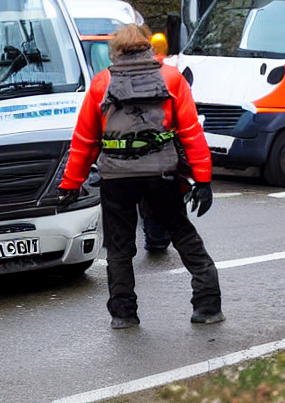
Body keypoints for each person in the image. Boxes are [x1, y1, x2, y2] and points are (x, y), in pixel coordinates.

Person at [58, 24, 224, 329]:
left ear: (116, 50)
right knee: (182, 233)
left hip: (116, 177)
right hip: (161, 172)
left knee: (119, 249)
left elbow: (85, 139)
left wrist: (71, 183)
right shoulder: (171, 78)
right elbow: (190, 132)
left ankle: (124, 314)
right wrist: (202, 180)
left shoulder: (101, 83)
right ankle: (207, 304)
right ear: (147, 46)